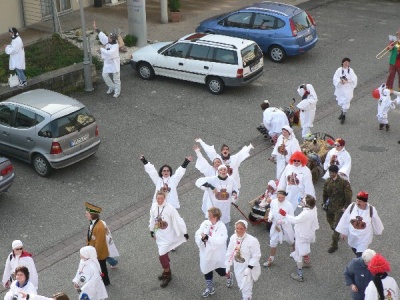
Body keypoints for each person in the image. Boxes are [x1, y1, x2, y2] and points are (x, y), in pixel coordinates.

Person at [149, 191, 189, 288]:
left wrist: (184, 232)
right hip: (159, 235)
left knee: (162, 257)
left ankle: (168, 274)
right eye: (158, 198)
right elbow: (152, 219)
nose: (159, 200)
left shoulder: (170, 208)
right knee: (164, 254)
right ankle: (167, 271)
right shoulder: (154, 207)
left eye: (161, 198)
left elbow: (178, 219)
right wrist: (152, 231)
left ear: (165, 198)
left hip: (168, 236)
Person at [195, 207, 233, 298]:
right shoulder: (205, 223)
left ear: (216, 216)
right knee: (207, 270)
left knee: (221, 271)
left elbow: (221, 240)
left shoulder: (221, 227)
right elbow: (198, 232)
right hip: (206, 253)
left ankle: (229, 275)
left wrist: (208, 238)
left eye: (210, 215)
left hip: (216, 254)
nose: (208, 217)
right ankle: (210, 288)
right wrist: (201, 238)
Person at [279, 195, 319, 282]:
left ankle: (299, 275)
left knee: (299, 254)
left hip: (302, 235)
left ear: (307, 204)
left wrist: (285, 214)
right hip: (308, 234)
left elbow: (295, 220)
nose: (301, 201)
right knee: (305, 248)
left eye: (303, 201)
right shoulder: (313, 209)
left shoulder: (305, 214)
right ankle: (307, 262)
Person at [335, 191, 384, 257]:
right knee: (354, 248)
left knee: (361, 255)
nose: (358, 203)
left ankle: (364, 263)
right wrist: (343, 232)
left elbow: (376, 221)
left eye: (360, 201)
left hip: (363, 238)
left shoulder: (371, 210)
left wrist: (378, 231)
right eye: (357, 200)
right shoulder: (352, 207)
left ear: (365, 202)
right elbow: (345, 219)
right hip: (353, 236)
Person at [195, 164, 239, 238]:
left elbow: (235, 188)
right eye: (221, 170)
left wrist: (234, 194)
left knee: (226, 228)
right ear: (218, 172)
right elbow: (199, 181)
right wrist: (211, 187)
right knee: (214, 227)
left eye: (224, 169)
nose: (223, 171)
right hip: (215, 209)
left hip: (225, 209)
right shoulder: (212, 179)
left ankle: (227, 244)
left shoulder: (231, 180)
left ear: (227, 171)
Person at [226, 220, 261, 300]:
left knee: (246, 289)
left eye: (241, 228)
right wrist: (228, 265)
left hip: (247, 268)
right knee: (240, 284)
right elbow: (230, 252)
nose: (239, 230)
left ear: (245, 229)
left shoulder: (252, 241)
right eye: (237, 228)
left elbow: (256, 255)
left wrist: (249, 268)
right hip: (237, 266)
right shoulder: (233, 238)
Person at [322, 164, 353, 253]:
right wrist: (324, 203)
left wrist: (346, 207)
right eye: (330, 172)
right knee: (330, 222)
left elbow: (348, 196)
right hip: (330, 207)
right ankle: (340, 230)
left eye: (332, 173)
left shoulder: (344, 183)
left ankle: (334, 245)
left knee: (336, 227)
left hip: (339, 208)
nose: (331, 174)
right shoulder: (328, 181)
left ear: (336, 173)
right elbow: (325, 193)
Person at [263, 190, 295, 267]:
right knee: (273, 242)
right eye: (279, 197)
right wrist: (270, 217)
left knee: (291, 240)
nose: (280, 199)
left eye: (282, 197)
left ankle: (295, 250)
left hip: (286, 227)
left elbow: (291, 218)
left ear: (285, 196)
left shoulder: (289, 205)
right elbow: (271, 211)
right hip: (275, 226)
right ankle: (271, 259)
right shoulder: (273, 202)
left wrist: (283, 221)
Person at [92, 20, 121, 98]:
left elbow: (110, 53)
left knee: (116, 79)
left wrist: (101, 50)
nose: (108, 38)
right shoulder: (108, 41)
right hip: (108, 63)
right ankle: (112, 87)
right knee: (105, 75)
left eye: (109, 37)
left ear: (113, 39)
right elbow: (102, 36)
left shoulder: (115, 46)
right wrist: (96, 28)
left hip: (114, 64)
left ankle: (117, 91)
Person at [84, 202, 110, 286]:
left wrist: (94, 255)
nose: (86, 214)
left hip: (99, 253)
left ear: (92, 215)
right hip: (94, 250)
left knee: (102, 267)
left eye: (87, 213)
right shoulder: (94, 223)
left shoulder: (99, 227)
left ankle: (105, 282)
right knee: (100, 267)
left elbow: (99, 243)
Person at [193, 144, 222, 218]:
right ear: (213, 164)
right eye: (215, 162)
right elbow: (203, 161)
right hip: (210, 192)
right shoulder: (210, 170)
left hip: (221, 192)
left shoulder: (224, 171)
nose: (217, 163)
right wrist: (198, 152)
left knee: (221, 207)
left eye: (219, 162)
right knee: (210, 206)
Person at [333, 57, 358, 124]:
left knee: (346, 102)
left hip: (348, 89)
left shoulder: (351, 71)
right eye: (345, 62)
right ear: (343, 63)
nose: (346, 64)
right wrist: (340, 81)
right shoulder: (339, 70)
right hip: (341, 89)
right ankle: (342, 112)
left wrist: (347, 81)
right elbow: (335, 77)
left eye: (348, 62)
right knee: (341, 101)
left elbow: (354, 79)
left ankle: (343, 115)